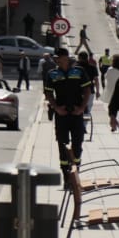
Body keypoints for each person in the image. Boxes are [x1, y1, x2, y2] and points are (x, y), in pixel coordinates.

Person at [45, 46, 94, 188]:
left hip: (76, 113)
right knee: (62, 144)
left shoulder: (78, 71)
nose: (57, 61)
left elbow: (87, 90)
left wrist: (82, 108)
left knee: (77, 144)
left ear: (66, 58)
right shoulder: (52, 74)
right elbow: (48, 93)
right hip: (62, 115)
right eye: (56, 59)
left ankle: (75, 172)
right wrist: (56, 108)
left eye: (59, 58)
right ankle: (66, 176)